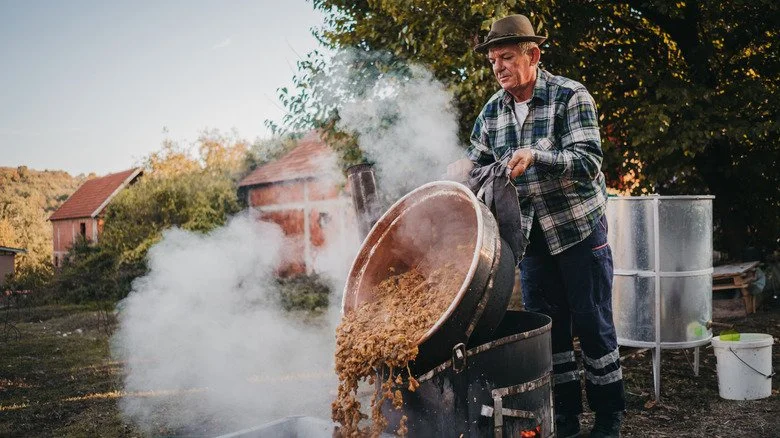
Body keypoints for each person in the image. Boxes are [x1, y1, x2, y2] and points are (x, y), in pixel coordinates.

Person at [448, 14, 625, 438]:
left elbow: (588, 162)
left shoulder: (570, 96)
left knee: (593, 324)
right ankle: (564, 418)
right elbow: (477, 159)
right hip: (529, 239)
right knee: (550, 333)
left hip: (579, 231)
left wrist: (536, 156)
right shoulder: (493, 111)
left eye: (506, 57)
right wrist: (462, 167)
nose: (499, 68)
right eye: (493, 61)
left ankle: (608, 416)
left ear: (534, 55)